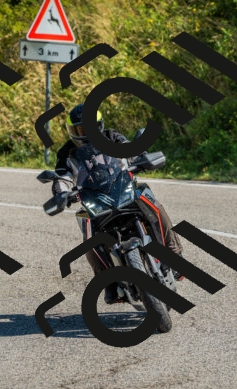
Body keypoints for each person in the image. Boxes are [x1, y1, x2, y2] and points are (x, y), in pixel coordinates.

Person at [53, 103, 184, 303]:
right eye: (80, 129)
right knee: (88, 236)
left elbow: (129, 148)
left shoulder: (111, 136)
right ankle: (109, 282)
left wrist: (141, 157)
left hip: (123, 188)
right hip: (94, 198)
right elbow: (62, 177)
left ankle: (174, 255)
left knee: (155, 205)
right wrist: (61, 193)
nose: (85, 133)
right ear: (72, 131)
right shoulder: (66, 152)